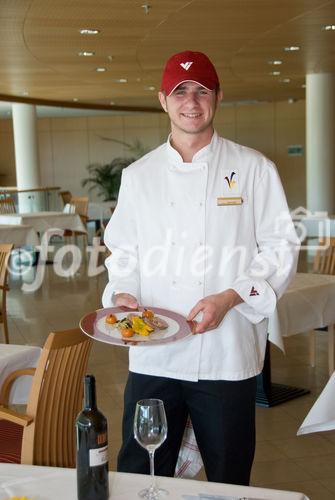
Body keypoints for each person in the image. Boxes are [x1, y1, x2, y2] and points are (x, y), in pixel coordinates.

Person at [102, 50, 299, 485]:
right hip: (154, 354)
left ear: (218, 97)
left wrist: (231, 297)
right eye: (180, 91)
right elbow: (123, 252)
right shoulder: (139, 175)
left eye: (201, 90)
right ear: (162, 100)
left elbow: (281, 247)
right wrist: (122, 294)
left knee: (229, 475)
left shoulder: (253, 169)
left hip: (226, 355)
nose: (191, 101)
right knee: (140, 471)